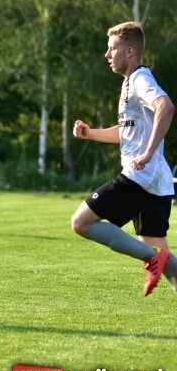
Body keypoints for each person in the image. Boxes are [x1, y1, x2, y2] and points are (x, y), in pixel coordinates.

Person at [71, 21, 177, 296]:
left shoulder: (140, 79)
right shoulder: (131, 83)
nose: (107, 55)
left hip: (139, 177)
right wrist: (91, 133)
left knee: (81, 223)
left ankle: (151, 258)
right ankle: (155, 257)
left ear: (129, 51)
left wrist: (148, 152)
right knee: (165, 258)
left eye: (112, 49)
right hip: (156, 182)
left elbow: (165, 107)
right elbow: (128, 131)